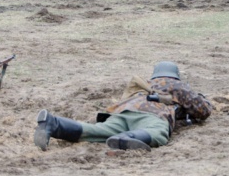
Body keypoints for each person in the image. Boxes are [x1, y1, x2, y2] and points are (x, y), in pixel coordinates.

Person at [34, 61, 212, 152]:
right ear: (176, 75)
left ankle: (54, 124)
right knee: (158, 133)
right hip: (152, 115)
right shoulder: (176, 85)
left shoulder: (146, 84)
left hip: (124, 111)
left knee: (97, 131)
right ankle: (127, 138)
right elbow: (203, 111)